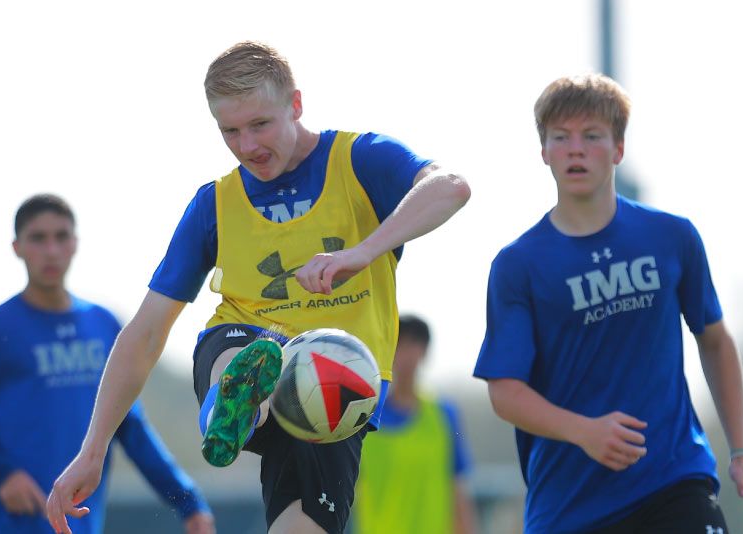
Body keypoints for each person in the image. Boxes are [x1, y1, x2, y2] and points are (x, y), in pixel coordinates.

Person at [47, 41, 471, 534]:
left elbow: (452, 187)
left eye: (260, 125)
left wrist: (360, 254)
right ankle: (240, 405)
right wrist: (92, 450)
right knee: (250, 353)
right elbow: (144, 334)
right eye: (230, 131)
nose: (247, 145)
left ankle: (252, 400)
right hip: (241, 341)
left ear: (295, 104)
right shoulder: (215, 205)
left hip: (337, 389)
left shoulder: (361, 160)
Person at [473, 73, 743, 533]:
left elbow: (713, 340)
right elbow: (505, 392)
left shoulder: (673, 237)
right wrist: (584, 431)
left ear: (618, 149)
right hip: (569, 508)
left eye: (592, 136)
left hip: (674, 482)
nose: (576, 149)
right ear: (544, 153)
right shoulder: (518, 264)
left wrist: (741, 452)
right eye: (561, 137)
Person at [0, 194, 215, 534]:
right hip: (14, 524)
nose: (51, 250)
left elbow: (131, 429)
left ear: (75, 243)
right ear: (17, 247)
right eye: (38, 238)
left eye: (61, 236)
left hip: (81, 525)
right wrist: (1, 473)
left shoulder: (104, 326)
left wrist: (188, 503)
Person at [353, 314, 477, 534]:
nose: (406, 354)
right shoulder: (364, 418)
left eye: (414, 344)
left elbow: (457, 488)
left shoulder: (444, 415)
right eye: (399, 344)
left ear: (424, 352)